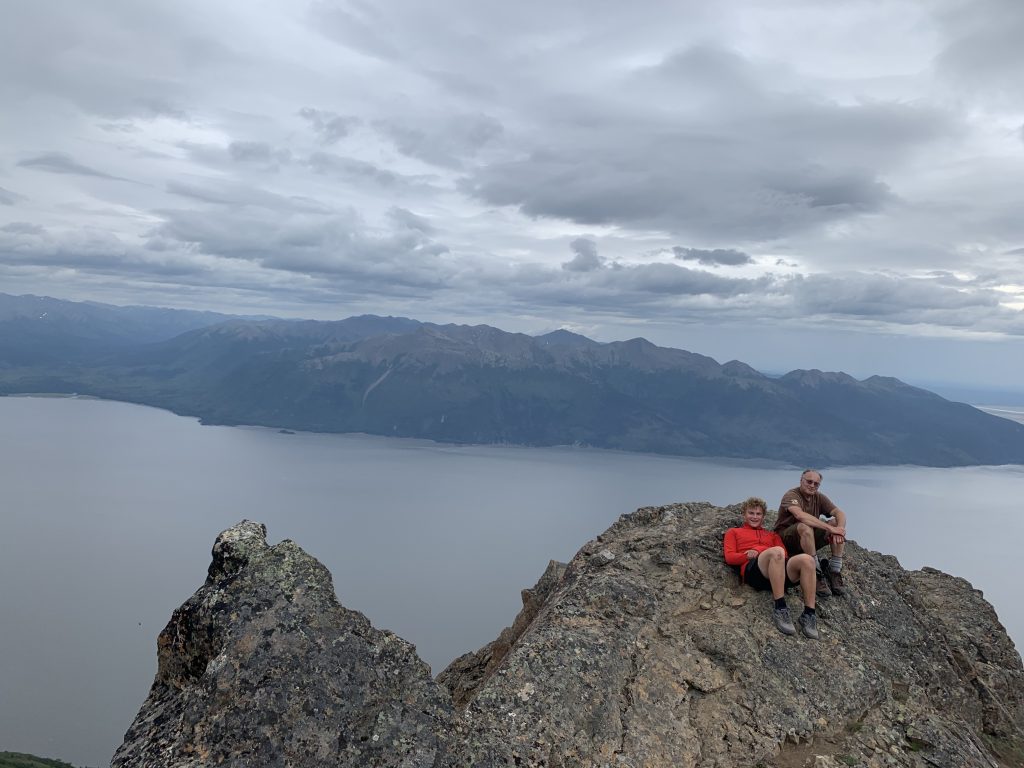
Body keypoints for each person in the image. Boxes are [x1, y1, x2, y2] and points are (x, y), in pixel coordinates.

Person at [723, 497, 819, 638]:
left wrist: (759, 549)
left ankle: (809, 614)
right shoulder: (734, 532)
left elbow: (784, 554)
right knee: (776, 552)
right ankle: (780, 607)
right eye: (751, 513)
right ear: (744, 514)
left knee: (808, 560)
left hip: (777, 571)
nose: (754, 517)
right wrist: (748, 556)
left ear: (763, 516)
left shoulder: (771, 535)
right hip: (754, 572)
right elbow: (730, 557)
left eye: (758, 514)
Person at [775, 469, 847, 598]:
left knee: (835, 522)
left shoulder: (818, 497)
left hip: (807, 539)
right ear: (801, 481)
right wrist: (830, 529)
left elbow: (839, 513)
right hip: (786, 540)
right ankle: (816, 572)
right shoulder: (792, 495)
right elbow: (800, 515)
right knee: (805, 526)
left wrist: (839, 529)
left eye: (816, 484)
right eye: (809, 481)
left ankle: (835, 570)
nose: (812, 485)